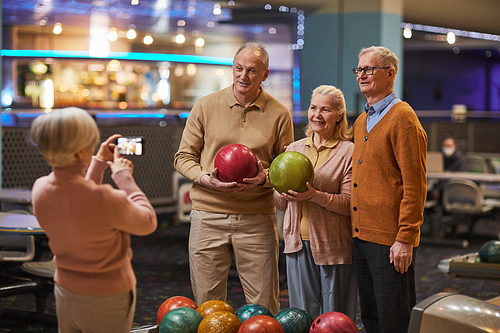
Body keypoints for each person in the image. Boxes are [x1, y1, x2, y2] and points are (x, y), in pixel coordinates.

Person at [174, 41, 294, 314]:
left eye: (252, 71)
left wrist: (264, 179)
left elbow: (284, 168)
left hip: (257, 219)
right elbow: (183, 158)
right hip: (207, 215)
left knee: (264, 307)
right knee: (208, 307)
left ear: (265, 74)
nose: (243, 76)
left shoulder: (279, 114)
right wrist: (206, 179)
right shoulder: (205, 106)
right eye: (238, 68)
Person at [30, 107, 158, 333]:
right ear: (81, 153)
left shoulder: (40, 188)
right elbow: (148, 222)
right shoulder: (106, 198)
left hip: (65, 289)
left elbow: (80, 201)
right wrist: (125, 179)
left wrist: (98, 162)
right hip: (107, 296)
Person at [350, 46, 427, 332]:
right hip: (362, 235)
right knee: (370, 316)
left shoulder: (403, 119)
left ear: (390, 73)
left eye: (369, 69)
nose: (362, 75)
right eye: (359, 69)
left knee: (394, 318)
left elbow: (415, 184)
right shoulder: (361, 121)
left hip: (391, 240)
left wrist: (406, 237)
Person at [273, 85, 357, 321]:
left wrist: (314, 196)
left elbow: (349, 204)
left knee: (335, 318)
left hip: (334, 246)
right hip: (296, 245)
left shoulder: (349, 151)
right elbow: (280, 203)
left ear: (339, 115)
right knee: (302, 318)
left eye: (325, 110)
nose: (317, 115)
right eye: (313, 108)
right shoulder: (293, 149)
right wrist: (273, 183)